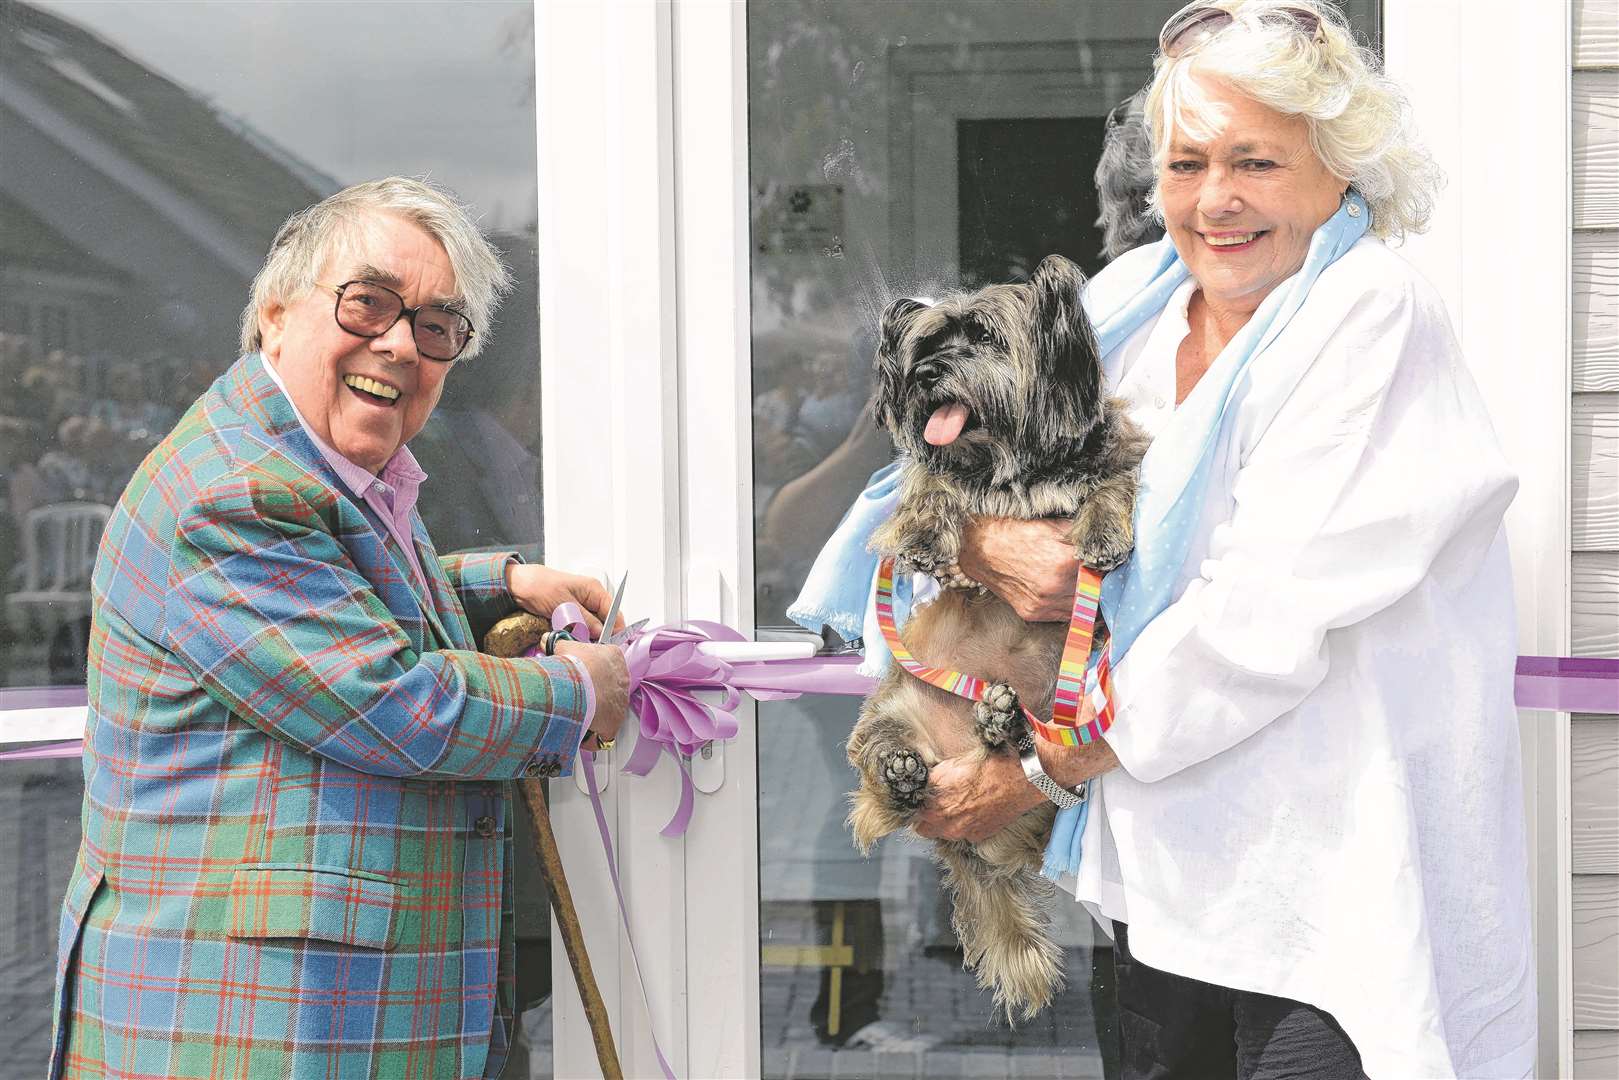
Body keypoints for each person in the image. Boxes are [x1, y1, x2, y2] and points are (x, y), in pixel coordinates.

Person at [792, 2, 1535, 1076]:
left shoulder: (1367, 314)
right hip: (1153, 881)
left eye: (1255, 162)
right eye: (1186, 164)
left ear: (1341, 167)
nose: (1215, 199)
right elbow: (938, 495)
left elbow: (1257, 618)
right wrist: (979, 552)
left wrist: (1037, 775)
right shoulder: (1126, 310)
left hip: (1310, 898)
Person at [49, 177, 630, 1080]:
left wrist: (496, 581)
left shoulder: (299, 461)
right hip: (255, 1031)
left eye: (436, 326)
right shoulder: (235, 491)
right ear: (276, 316)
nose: (399, 343)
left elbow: (335, 601)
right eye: (368, 303)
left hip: (315, 1017)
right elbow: (391, 700)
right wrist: (586, 689)